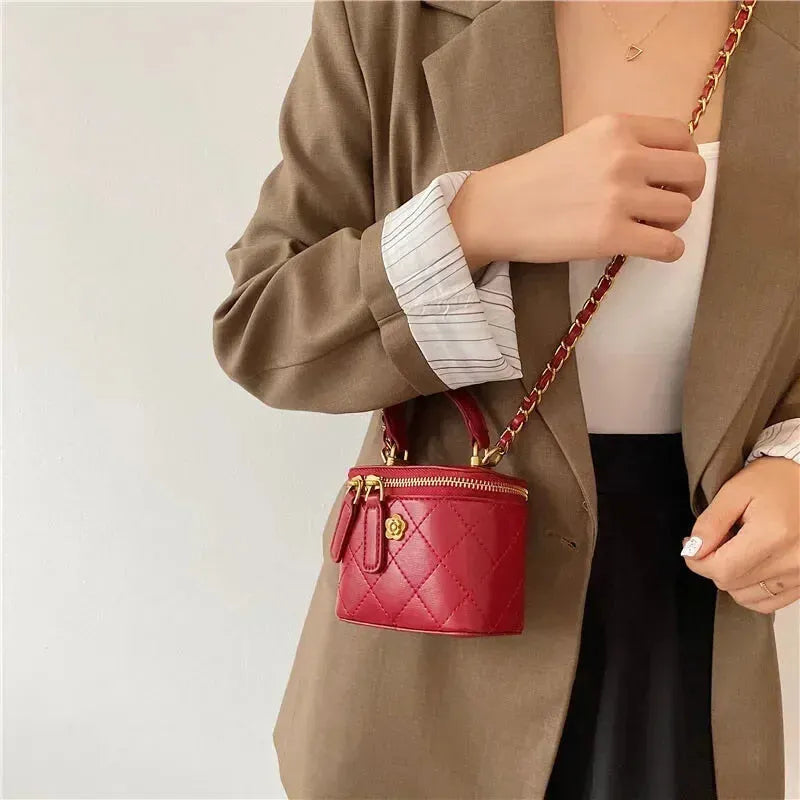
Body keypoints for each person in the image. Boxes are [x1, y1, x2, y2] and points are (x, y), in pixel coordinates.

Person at [212, 1, 800, 798]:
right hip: (443, 619)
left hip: (699, 616)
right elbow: (265, 329)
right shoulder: (390, 16)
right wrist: (471, 221)